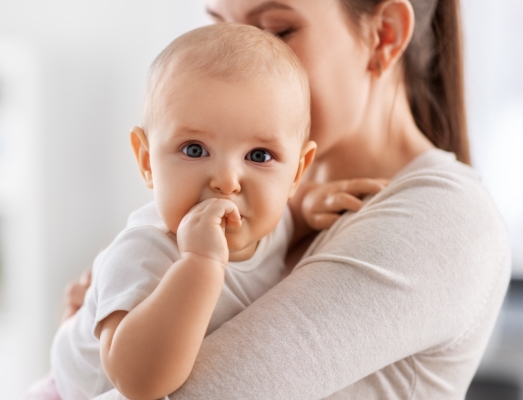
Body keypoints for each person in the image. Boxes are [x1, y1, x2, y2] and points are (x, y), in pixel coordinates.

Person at [30, 0, 511, 398]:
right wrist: (88, 335)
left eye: (277, 31)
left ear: (383, 35)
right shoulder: (260, 212)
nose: (241, 59)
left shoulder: (442, 219)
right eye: (218, 26)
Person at [47, 23, 386, 400]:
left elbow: (290, 218)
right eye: (194, 149)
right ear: (146, 161)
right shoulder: (145, 253)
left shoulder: (274, 224)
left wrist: (308, 206)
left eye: (259, 156)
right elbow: (138, 383)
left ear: (296, 171)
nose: (226, 180)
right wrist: (200, 264)